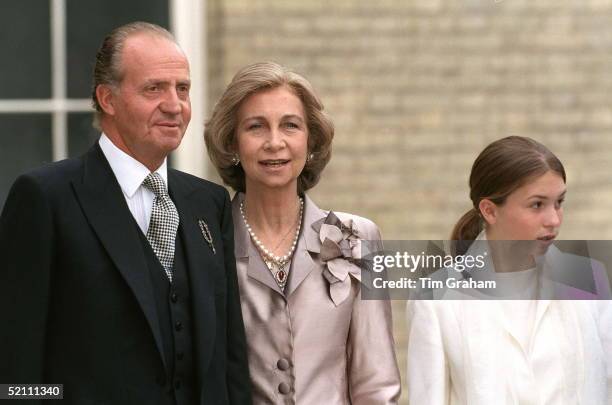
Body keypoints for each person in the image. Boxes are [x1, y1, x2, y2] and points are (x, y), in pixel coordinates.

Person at [0, 22, 251, 405]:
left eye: (182, 89)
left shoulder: (209, 202)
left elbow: (230, 359)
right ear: (107, 99)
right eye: (154, 88)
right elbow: (15, 367)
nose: (174, 105)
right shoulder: (45, 199)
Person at [205, 61, 401, 404]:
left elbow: (377, 384)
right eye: (256, 127)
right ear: (233, 143)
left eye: (290, 126)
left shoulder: (356, 238)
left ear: (311, 140)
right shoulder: (206, 244)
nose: (274, 142)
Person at [406, 136, 612, 404]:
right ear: (490, 211)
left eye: (559, 202)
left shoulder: (586, 279)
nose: (554, 219)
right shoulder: (436, 300)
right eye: (537, 204)